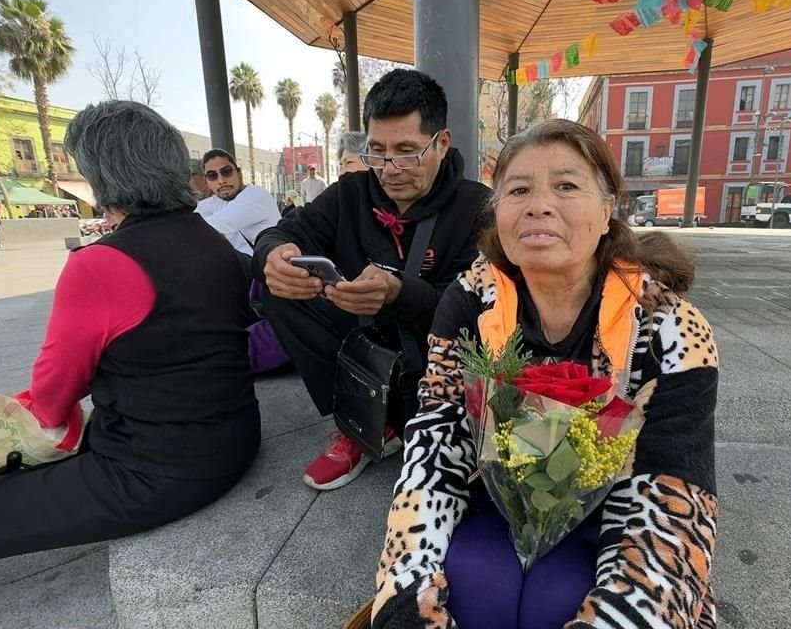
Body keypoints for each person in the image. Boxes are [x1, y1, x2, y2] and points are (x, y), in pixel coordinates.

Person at [372, 119, 719, 629]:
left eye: (566, 185)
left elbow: (675, 493)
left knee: (556, 603)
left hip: (617, 513)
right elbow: (435, 444)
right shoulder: (470, 303)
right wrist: (406, 586)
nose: (539, 204)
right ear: (498, 215)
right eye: (518, 189)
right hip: (496, 501)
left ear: (607, 212)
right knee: (471, 587)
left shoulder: (669, 328)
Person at [0, 101, 261, 572]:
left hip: (154, 469)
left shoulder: (100, 263)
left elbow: (54, 394)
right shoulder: (213, 241)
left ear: (101, 178)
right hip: (235, 437)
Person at [253, 68, 490, 491]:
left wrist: (397, 291)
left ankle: (424, 422)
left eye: (407, 152)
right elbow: (281, 232)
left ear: (442, 144)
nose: (390, 169)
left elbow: (475, 308)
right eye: (377, 152)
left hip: (436, 353)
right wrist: (274, 255)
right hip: (360, 341)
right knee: (281, 292)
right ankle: (359, 422)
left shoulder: (477, 206)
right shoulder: (350, 193)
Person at [196, 149, 282, 269]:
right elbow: (188, 217)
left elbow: (212, 226)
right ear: (207, 182)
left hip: (272, 274)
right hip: (249, 274)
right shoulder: (216, 201)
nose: (221, 181)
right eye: (212, 176)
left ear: (239, 173)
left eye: (226, 172)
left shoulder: (256, 195)